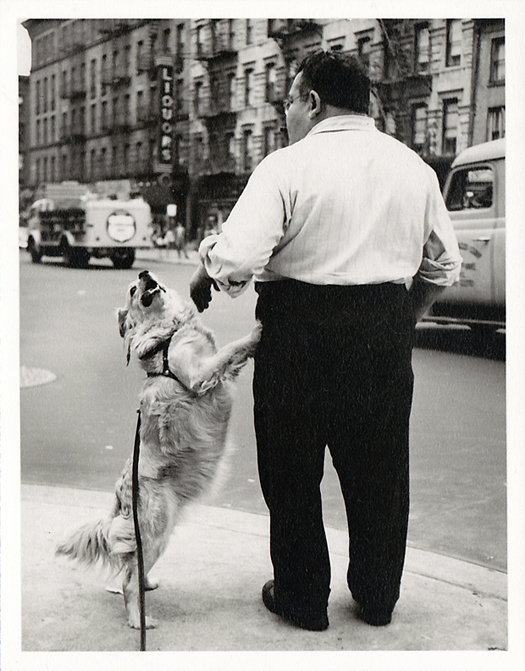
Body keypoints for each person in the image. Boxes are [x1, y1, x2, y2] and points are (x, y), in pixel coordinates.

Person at [189, 50, 462, 632]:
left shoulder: (287, 166)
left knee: (290, 471)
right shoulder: (413, 167)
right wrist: (400, 319)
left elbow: (237, 259)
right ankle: (377, 594)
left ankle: (303, 593)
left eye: (288, 100)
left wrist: (209, 262)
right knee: (381, 473)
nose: (286, 113)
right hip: (383, 331)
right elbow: (442, 265)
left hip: (299, 332)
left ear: (311, 101)